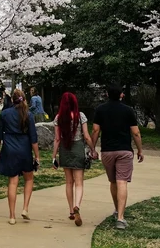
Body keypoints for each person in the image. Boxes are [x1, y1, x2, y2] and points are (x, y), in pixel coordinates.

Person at [91, 85, 143, 231]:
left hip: (107, 151)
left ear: (107, 94)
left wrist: (92, 148)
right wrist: (140, 150)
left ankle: (116, 209)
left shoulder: (100, 110)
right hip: (124, 150)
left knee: (113, 181)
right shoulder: (128, 110)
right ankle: (120, 217)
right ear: (121, 95)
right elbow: (136, 132)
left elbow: (95, 130)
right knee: (122, 182)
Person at [0, 88, 40, 225]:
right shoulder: (28, 114)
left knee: (13, 182)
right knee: (29, 178)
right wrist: (37, 155)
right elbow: (33, 137)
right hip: (24, 149)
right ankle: (25, 208)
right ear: (24, 99)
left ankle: (12, 216)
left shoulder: (5, 114)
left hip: (9, 149)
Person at [52, 92, 97, 227]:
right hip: (78, 148)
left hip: (65, 149)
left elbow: (57, 139)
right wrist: (93, 149)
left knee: (69, 182)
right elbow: (87, 136)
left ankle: (71, 211)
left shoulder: (58, 118)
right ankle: (77, 205)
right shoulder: (80, 116)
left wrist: (54, 157)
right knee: (79, 183)